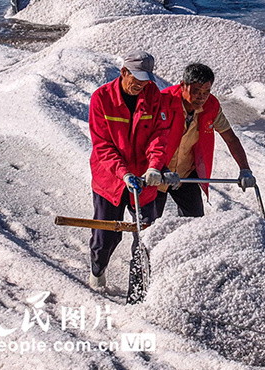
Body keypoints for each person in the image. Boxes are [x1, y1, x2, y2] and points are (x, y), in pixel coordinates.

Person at [87, 50, 170, 289]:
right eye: (137, 80)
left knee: (145, 237)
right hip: (110, 180)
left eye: (146, 81)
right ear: (124, 72)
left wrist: (155, 166)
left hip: (144, 181)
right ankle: (98, 267)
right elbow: (102, 145)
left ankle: (139, 290)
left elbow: (159, 135)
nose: (141, 86)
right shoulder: (101, 98)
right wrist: (123, 173)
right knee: (106, 236)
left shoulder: (154, 96)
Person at [156, 63, 255, 219]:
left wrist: (245, 169)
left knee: (195, 223)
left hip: (185, 174)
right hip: (158, 173)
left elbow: (231, 139)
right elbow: (147, 140)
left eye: (206, 92)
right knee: (148, 226)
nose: (201, 97)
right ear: (183, 85)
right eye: (196, 91)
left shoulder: (211, 107)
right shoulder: (163, 102)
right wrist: (160, 169)